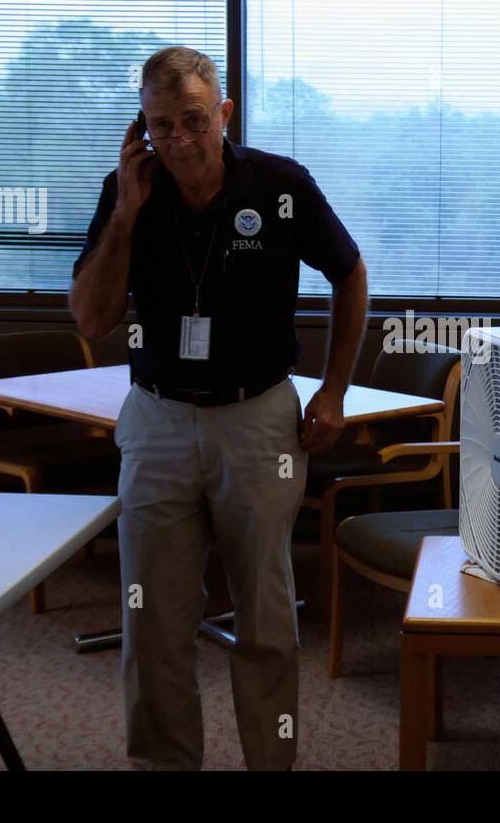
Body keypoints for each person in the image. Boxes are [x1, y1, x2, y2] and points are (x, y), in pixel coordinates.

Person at [69, 46, 368, 770]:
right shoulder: (127, 191)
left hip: (258, 417)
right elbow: (91, 316)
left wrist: (333, 388)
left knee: (266, 619)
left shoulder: (279, 186)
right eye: (161, 124)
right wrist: (126, 217)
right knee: (154, 620)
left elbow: (351, 274)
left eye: (193, 122)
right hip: (159, 420)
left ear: (224, 115)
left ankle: (272, 760)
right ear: (142, 127)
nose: (178, 140)